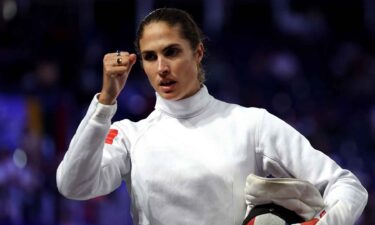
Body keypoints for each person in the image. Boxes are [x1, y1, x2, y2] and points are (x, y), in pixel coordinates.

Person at [56, 8, 367, 225]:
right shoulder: (129, 136)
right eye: (150, 57)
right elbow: (73, 184)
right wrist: (105, 102)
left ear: (198, 53)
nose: (162, 67)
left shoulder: (250, 125)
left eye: (172, 52)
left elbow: (346, 185)